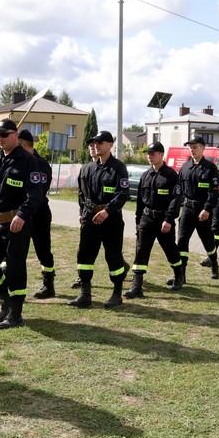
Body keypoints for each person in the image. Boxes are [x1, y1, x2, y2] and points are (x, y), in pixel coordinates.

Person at [0, 119, 44, 329]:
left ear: (15, 135)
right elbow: (0, 189)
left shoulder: (28, 161)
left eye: (4, 134)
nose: (0, 138)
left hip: (17, 223)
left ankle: (16, 314)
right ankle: (6, 297)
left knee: (15, 267)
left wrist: (22, 215)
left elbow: (36, 194)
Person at [72, 131, 130, 308]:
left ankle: (117, 294)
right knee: (84, 255)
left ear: (110, 145)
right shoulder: (88, 168)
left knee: (113, 256)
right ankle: (85, 294)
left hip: (111, 221)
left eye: (100, 142)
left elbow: (123, 193)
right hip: (90, 219)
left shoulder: (118, 167)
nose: (96, 145)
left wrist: (107, 210)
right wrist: (82, 213)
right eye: (94, 143)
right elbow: (82, 194)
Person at [126, 142, 183, 298]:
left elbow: (176, 199)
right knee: (141, 250)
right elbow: (140, 201)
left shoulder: (171, 175)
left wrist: (169, 219)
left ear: (161, 155)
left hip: (164, 219)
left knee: (170, 249)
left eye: (153, 153)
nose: (149, 156)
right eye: (148, 154)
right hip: (147, 219)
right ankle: (137, 286)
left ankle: (179, 276)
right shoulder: (146, 175)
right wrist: (138, 221)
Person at [16, 129, 56, 299]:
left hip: (38, 214)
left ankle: (48, 284)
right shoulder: (16, 161)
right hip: (19, 214)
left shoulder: (41, 165)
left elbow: (38, 192)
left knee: (43, 250)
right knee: (17, 251)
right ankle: (14, 287)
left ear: (24, 145)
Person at [175, 136, 219, 278]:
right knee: (182, 240)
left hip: (203, 210)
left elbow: (214, 191)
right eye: (190, 147)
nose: (192, 150)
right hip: (187, 209)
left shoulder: (210, 168)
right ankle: (181, 274)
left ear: (203, 148)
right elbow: (179, 190)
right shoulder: (185, 167)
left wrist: (207, 209)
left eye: (195, 147)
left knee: (208, 241)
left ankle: (214, 264)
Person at [71, 141, 99, 290]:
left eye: (95, 145)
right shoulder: (85, 168)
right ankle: (82, 277)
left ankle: (122, 265)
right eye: (90, 146)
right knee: (84, 248)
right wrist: (81, 213)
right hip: (88, 214)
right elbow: (81, 194)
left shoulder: (110, 168)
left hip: (105, 215)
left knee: (110, 250)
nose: (93, 148)